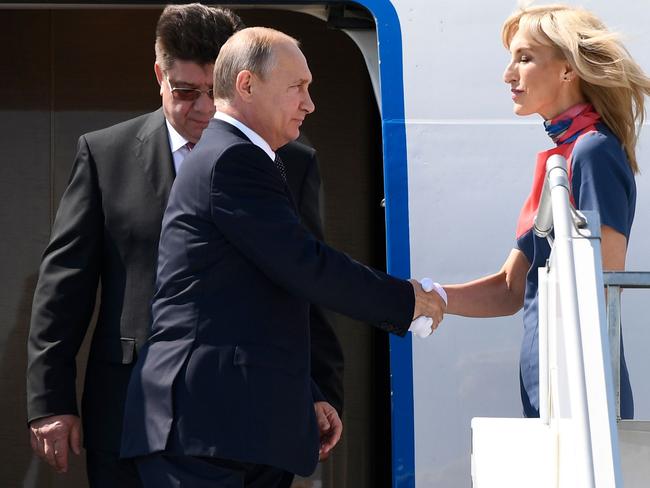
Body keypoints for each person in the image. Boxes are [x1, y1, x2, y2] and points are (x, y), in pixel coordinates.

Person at [26, 4, 343, 486]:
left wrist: (319, 391)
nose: (203, 107)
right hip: (129, 412)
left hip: (254, 424)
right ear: (159, 74)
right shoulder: (105, 154)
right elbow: (63, 288)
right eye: (185, 91)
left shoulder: (291, 163)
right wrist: (51, 401)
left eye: (213, 90)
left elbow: (308, 285)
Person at [120, 27, 445, 487]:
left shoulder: (241, 157)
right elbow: (304, 263)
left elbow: (252, 300)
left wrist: (304, 393)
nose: (309, 104)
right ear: (247, 85)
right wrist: (407, 302)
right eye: (298, 88)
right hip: (207, 429)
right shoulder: (233, 159)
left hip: (236, 426)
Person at [443, 4, 650, 419]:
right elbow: (509, 287)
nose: (508, 74)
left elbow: (600, 289)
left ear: (567, 71)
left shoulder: (591, 151)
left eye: (524, 58)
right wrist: (430, 297)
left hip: (579, 398)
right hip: (552, 391)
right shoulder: (564, 156)